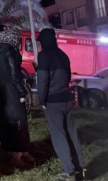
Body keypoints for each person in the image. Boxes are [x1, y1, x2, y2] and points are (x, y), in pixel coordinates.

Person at [37, 28, 86, 181]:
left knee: (59, 136)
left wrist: (41, 100)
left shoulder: (44, 56)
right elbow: (68, 76)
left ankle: (69, 171)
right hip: (67, 99)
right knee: (72, 134)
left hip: (53, 101)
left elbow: (42, 81)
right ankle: (80, 169)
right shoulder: (63, 55)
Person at [0, 25, 33, 168]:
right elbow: (15, 76)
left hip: (2, 91)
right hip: (13, 93)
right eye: (17, 39)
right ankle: (18, 155)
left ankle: (11, 150)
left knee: (6, 122)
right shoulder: (11, 52)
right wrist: (22, 93)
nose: (18, 41)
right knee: (18, 122)